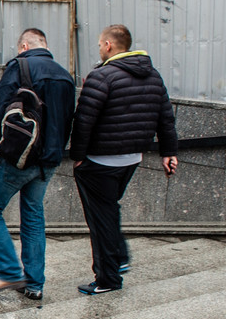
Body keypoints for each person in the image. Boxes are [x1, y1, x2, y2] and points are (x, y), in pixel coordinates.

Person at [69, 24, 178, 295]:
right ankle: (119, 258)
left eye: (99, 44)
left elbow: (84, 121)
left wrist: (78, 157)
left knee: (100, 219)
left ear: (108, 45)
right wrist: (169, 153)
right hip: (131, 159)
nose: (99, 48)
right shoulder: (153, 75)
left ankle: (107, 279)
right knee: (108, 210)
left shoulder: (102, 76)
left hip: (99, 161)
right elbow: (165, 117)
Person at [0, 28, 76, 300]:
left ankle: (9, 272)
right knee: (33, 217)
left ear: (23, 46)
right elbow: (69, 120)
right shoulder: (65, 76)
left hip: (19, 158)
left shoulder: (19, 67)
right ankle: (34, 284)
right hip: (49, 161)